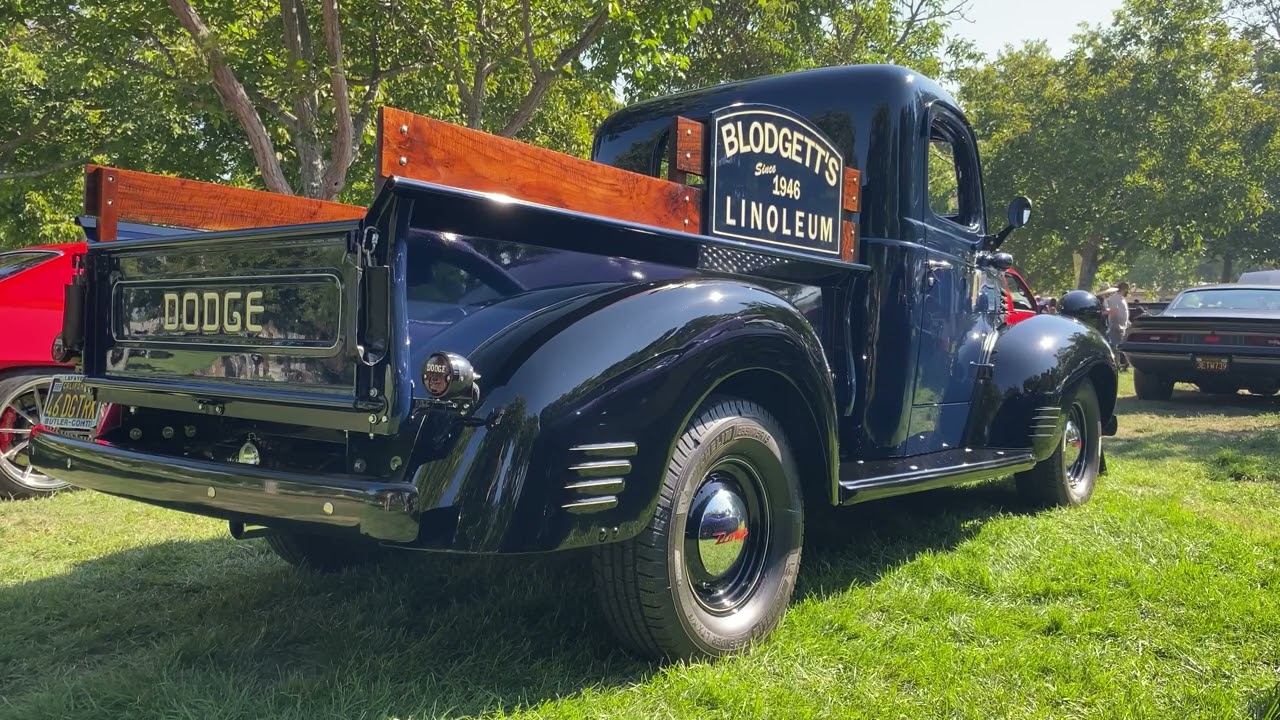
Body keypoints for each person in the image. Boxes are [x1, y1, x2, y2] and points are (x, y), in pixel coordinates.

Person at [1104, 282, 1131, 369]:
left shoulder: (1121, 298)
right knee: (1116, 347)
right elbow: (1113, 313)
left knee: (1120, 346)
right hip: (1116, 327)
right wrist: (1118, 326)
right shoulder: (1114, 299)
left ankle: (1122, 364)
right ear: (1124, 289)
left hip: (1123, 326)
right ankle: (1116, 365)